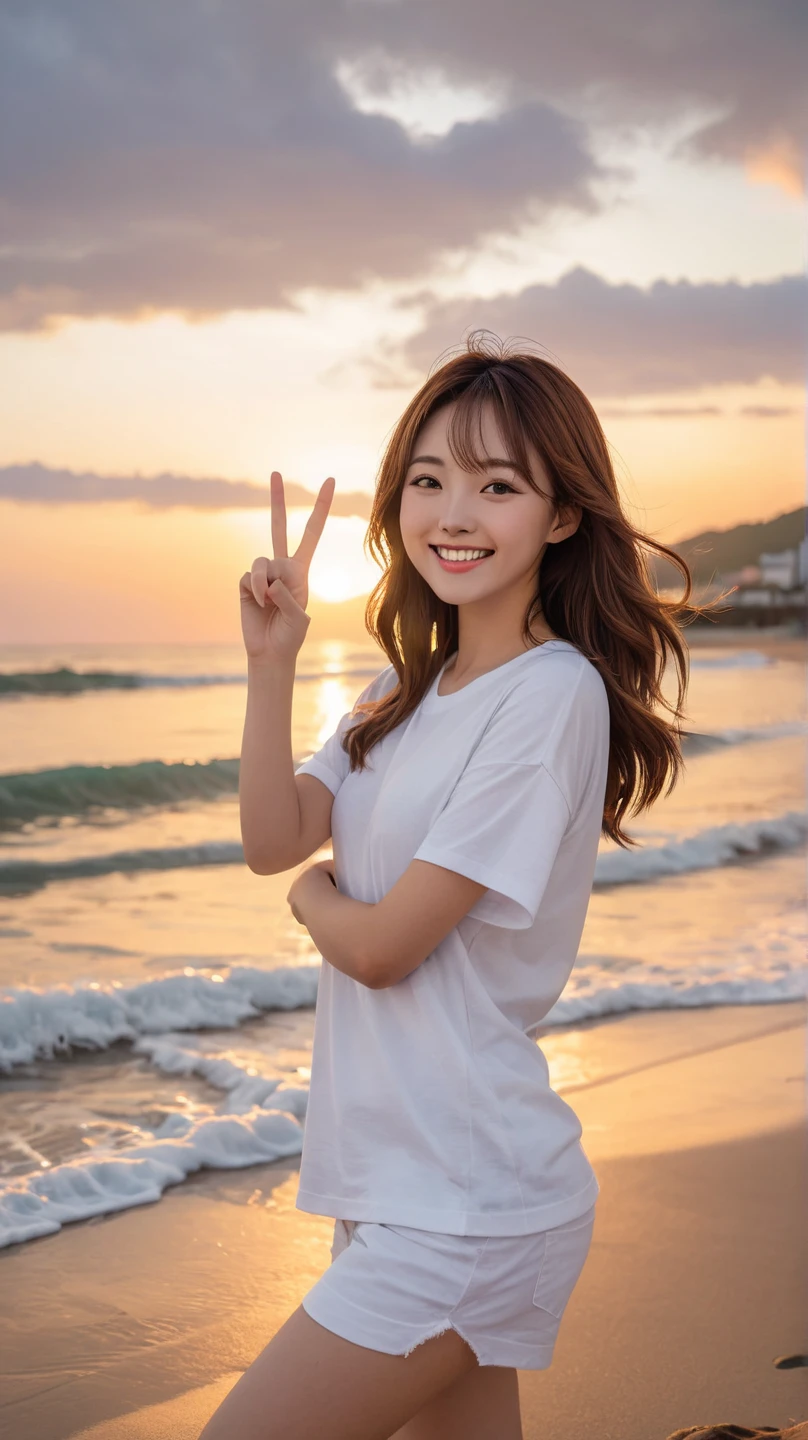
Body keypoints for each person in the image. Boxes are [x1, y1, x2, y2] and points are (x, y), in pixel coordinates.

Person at [200, 334, 711, 1440]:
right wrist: (273, 660)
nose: (454, 513)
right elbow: (272, 835)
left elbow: (382, 948)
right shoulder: (402, 688)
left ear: (561, 514)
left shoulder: (551, 696)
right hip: (407, 1184)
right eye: (428, 481)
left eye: (497, 485)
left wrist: (313, 904)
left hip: (467, 1203)